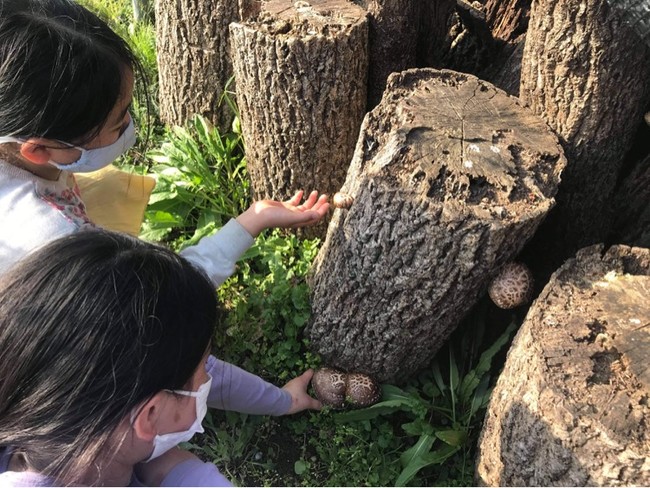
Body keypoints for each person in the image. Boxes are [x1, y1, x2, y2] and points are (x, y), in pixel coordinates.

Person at [0, 0, 329, 280]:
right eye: (118, 124)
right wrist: (251, 222)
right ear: (38, 148)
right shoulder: (57, 242)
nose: (129, 127)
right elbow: (160, 302)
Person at [0, 229, 322, 486]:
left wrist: (283, 400)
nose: (209, 378)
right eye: (202, 370)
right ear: (150, 415)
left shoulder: (53, 424)